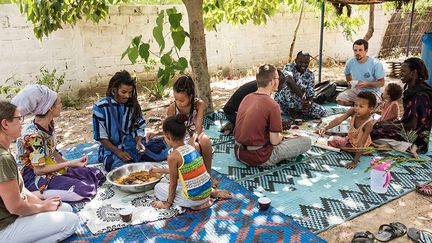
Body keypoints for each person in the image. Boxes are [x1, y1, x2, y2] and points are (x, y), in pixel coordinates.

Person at [0, 101, 79, 242]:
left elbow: (21, 190)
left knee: (65, 208)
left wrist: (42, 204)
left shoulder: (5, 152)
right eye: (19, 119)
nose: (22, 123)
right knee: (71, 222)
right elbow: (15, 207)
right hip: (5, 227)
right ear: (5, 124)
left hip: (12, 216)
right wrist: (42, 208)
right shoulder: (3, 158)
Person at [12, 85, 105, 203]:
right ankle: (36, 194)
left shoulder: (49, 123)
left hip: (49, 165)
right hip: (33, 176)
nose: (61, 106)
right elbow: (39, 170)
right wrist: (70, 163)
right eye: (59, 103)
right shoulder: (33, 136)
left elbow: (53, 151)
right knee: (83, 189)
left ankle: (58, 185)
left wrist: (68, 164)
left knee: (95, 174)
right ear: (50, 108)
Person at [234, 64, 311, 167]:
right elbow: (274, 141)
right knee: (306, 141)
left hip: (239, 153)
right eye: (278, 78)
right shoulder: (273, 105)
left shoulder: (247, 98)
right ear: (273, 81)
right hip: (259, 157)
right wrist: (283, 138)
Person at [151, 114, 232, 210]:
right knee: (185, 181)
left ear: (168, 136)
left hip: (194, 199)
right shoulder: (191, 147)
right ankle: (212, 193)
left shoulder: (173, 156)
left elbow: (173, 183)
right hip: (206, 191)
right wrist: (159, 170)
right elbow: (182, 171)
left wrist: (167, 203)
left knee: (158, 187)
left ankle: (196, 205)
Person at [93, 70, 168, 172]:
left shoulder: (133, 105)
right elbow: (101, 137)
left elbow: (139, 127)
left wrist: (138, 142)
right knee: (119, 168)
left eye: (130, 92)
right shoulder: (100, 107)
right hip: (112, 149)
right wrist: (119, 152)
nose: (127, 96)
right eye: (123, 92)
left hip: (131, 144)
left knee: (161, 155)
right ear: (114, 90)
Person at [371, 57, 432, 155]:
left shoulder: (418, 96)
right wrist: (390, 123)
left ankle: (400, 146)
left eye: (403, 71)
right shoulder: (417, 89)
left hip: (415, 139)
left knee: (371, 132)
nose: (400, 74)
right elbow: (407, 121)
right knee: (375, 127)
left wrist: (390, 124)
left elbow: (411, 126)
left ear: (413, 72)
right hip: (413, 134)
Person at [319, 91, 376, 169]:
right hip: (351, 139)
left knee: (332, 140)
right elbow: (339, 120)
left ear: (370, 109)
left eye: (361, 106)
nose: (357, 108)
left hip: (358, 146)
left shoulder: (368, 124)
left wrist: (354, 162)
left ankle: (361, 152)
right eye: (355, 105)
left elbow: (361, 144)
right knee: (334, 136)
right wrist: (325, 127)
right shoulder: (352, 111)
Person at [221, 70, 287, 135]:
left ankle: (234, 123)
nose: (282, 87)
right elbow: (260, 113)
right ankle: (234, 124)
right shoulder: (260, 89)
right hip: (231, 113)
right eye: (281, 84)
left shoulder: (262, 85)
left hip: (235, 111)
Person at [274, 51, 326, 119]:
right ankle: (292, 111)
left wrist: (309, 103)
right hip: (284, 102)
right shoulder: (289, 67)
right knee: (287, 84)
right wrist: (302, 96)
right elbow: (288, 79)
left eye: (306, 62)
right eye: (300, 62)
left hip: (298, 103)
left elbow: (310, 94)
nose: (303, 64)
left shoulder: (310, 75)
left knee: (321, 111)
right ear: (296, 60)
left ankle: (299, 113)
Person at [336, 39, 385, 106]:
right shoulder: (350, 62)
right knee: (340, 99)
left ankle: (360, 105)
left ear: (366, 50)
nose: (357, 53)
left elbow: (381, 83)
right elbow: (347, 74)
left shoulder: (375, 63)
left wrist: (367, 84)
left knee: (370, 104)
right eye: (355, 50)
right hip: (357, 90)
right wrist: (350, 83)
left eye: (360, 50)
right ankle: (357, 105)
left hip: (372, 91)